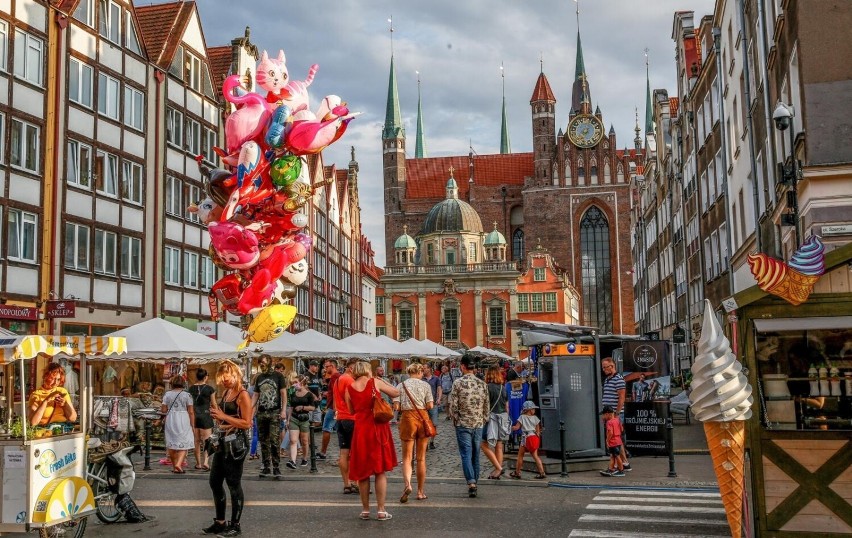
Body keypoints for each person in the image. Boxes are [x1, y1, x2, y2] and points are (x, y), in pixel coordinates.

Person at [345, 361, 400, 521]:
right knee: (379, 470)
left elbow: (351, 410)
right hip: (377, 429)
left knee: (362, 472)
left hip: (361, 430)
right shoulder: (374, 382)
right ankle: (381, 510)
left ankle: (365, 510)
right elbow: (396, 393)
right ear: (368, 371)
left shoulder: (350, 388)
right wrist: (383, 381)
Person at [205, 360, 252, 537]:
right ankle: (220, 521)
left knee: (233, 484)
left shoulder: (242, 394)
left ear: (236, 375)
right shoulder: (226, 392)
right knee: (215, 481)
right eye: (222, 378)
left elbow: (246, 423)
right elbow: (227, 420)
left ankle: (235, 524)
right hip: (223, 441)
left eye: (227, 378)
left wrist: (223, 416)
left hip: (236, 444)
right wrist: (219, 419)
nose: (224, 381)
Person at [448, 354, 489, 498]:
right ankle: (475, 482)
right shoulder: (482, 384)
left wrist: (456, 420)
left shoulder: (458, 383)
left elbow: (453, 406)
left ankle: (471, 482)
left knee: (466, 453)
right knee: (476, 454)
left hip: (463, 423)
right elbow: (486, 407)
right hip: (478, 424)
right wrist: (483, 420)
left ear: (463, 367)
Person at [397, 363, 434, 503]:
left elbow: (396, 406)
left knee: (407, 458)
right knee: (421, 458)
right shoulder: (425, 385)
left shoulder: (401, 386)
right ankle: (420, 491)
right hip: (422, 417)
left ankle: (407, 485)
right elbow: (430, 405)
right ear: (420, 372)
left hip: (407, 418)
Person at [251, 354, 287, 478]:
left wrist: (283, 410)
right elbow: (256, 395)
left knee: (274, 440)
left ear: (270, 363)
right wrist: (250, 408)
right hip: (261, 412)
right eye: (260, 363)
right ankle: (266, 466)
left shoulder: (278, 376)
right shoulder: (260, 377)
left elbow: (283, 393)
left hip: (274, 412)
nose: (262, 364)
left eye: (264, 362)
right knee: (263, 441)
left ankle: (276, 467)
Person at [601, 357, 631, 472]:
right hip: (609, 415)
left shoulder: (618, 379)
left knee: (615, 440)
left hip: (615, 415)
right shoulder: (608, 379)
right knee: (617, 441)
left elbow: (621, 397)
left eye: (605, 367)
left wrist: (617, 414)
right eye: (603, 367)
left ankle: (616, 466)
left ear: (612, 366)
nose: (604, 370)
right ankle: (624, 463)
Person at [161, 375, 195, 473]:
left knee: (171, 442)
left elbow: (163, 410)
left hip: (171, 418)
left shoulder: (167, 394)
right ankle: (178, 464)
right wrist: (192, 425)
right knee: (184, 441)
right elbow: (191, 412)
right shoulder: (187, 395)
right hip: (184, 418)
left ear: (172, 384)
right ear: (183, 384)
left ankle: (174, 466)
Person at [481, 366, 510, 479]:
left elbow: (484, 405)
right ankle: (497, 470)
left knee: (483, 444)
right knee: (499, 445)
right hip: (502, 417)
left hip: (491, 418)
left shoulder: (487, 387)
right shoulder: (503, 388)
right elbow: (507, 406)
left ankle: (498, 468)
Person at [285, 375, 317, 469]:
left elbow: (313, 407)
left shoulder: (309, 395)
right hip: (294, 419)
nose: (294, 385)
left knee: (304, 441)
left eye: (295, 382)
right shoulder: (293, 394)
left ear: (301, 383)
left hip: (304, 419)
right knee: (293, 440)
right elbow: (291, 407)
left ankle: (304, 458)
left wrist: (303, 407)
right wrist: (288, 419)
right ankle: (293, 461)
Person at [509, 400, 546, 479]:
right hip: (533, 438)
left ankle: (517, 472)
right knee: (536, 456)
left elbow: (517, 427)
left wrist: (509, 428)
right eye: (533, 409)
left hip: (525, 439)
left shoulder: (522, 417)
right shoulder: (536, 418)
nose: (534, 410)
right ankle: (542, 472)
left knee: (520, 456)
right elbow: (538, 431)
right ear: (529, 409)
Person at [189, 369, 217, 471]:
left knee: (196, 441)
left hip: (194, 416)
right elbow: (213, 404)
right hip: (206, 415)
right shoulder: (210, 389)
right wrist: (217, 413)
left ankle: (198, 464)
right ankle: (206, 462)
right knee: (207, 441)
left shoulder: (191, 388)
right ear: (206, 377)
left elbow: (189, 404)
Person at [318, 360, 340, 460]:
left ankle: (323, 452)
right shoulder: (334, 377)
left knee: (326, 428)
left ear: (332, 366)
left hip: (333, 407)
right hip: (334, 406)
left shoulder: (335, 376)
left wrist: (334, 407)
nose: (325, 369)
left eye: (327, 367)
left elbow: (337, 392)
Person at [599, 405, 626, 477]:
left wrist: (607, 440)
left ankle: (621, 470)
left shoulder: (609, 422)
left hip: (613, 442)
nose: (603, 417)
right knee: (613, 456)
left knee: (616, 456)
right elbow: (622, 429)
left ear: (607, 414)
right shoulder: (617, 420)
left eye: (604, 415)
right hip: (618, 440)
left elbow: (610, 432)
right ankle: (611, 469)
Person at [423, 366, 442, 449]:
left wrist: (439, 398)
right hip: (423, 405)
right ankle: (425, 442)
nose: (423, 369)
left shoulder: (436, 378)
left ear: (430, 369)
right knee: (424, 423)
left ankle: (432, 441)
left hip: (433, 403)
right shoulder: (421, 379)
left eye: (425, 368)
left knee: (434, 423)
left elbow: (439, 388)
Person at [306, 360, 324, 426]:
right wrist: (313, 395)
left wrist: (319, 394)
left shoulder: (316, 375)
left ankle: (310, 432)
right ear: (310, 366)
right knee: (309, 420)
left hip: (316, 402)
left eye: (318, 366)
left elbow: (317, 387)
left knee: (318, 421)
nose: (317, 368)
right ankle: (308, 433)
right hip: (309, 401)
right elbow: (305, 387)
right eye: (315, 366)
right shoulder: (306, 375)